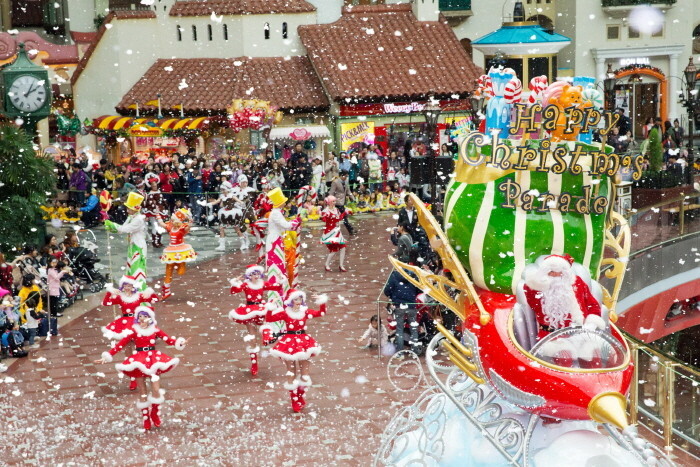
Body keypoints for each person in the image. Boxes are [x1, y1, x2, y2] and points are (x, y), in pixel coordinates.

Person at [96, 307, 188, 430]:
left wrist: (180, 343)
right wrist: (107, 355)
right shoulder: (134, 330)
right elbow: (121, 344)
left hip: (153, 360)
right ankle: (146, 418)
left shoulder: (155, 329)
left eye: (144, 316)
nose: (141, 319)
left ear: (149, 318)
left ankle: (154, 412)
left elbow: (168, 340)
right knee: (142, 391)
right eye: (139, 316)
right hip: (139, 361)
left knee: (156, 389)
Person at [518, 254, 606, 345]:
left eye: (560, 272)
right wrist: (537, 282)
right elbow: (533, 301)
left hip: (581, 333)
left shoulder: (577, 282)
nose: (556, 275)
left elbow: (592, 304)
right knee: (564, 357)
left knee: (596, 354)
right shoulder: (538, 288)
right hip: (552, 336)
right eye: (552, 271)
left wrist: (591, 323)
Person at [265, 290, 328, 413]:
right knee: (291, 372)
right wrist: (269, 308)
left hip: (304, 342)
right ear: (290, 301)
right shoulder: (285, 313)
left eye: (300, 299)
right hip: (289, 342)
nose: (299, 302)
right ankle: (294, 400)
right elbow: (269, 318)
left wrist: (322, 302)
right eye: (296, 299)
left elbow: (321, 313)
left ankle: (300, 396)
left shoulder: (305, 312)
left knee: (305, 374)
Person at [228, 265, 282, 376]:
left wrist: (281, 279)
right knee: (252, 336)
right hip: (249, 310)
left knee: (265, 324)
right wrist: (235, 282)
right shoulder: (246, 285)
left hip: (261, 308)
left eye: (257, 274)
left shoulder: (262, 284)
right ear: (249, 275)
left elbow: (276, 287)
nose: (256, 276)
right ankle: (254, 363)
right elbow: (234, 291)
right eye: (253, 274)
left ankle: (267, 338)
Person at [104, 192, 148, 290]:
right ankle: (132, 290)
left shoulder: (139, 220)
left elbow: (126, 229)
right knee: (131, 268)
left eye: (129, 208)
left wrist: (111, 224)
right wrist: (110, 225)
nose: (127, 210)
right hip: (133, 245)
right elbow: (122, 229)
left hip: (138, 246)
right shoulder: (132, 217)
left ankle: (139, 292)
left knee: (137, 269)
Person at [265, 188, 302, 299]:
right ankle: (276, 288)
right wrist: (296, 221)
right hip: (274, 240)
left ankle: (280, 287)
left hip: (277, 239)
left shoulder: (276, 213)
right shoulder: (276, 213)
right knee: (276, 263)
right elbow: (286, 226)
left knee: (279, 263)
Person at [157, 208, 197, 300]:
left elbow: (188, 227)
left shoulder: (182, 228)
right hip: (170, 251)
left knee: (181, 271)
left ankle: (178, 266)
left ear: (178, 221)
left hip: (181, 251)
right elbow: (162, 224)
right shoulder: (170, 227)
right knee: (168, 270)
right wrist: (157, 214)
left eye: (173, 220)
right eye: (172, 219)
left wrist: (190, 219)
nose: (171, 221)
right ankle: (166, 290)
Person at [383, 259, 421, 354]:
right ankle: (415, 350)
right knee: (413, 328)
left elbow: (387, 290)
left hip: (399, 305)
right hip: (411, 305)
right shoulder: (412, 274)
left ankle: (400, 351)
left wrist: (392, 296)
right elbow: (419, 289)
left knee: (399, 329)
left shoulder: (394, 275)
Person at [320, 195, 351, 272]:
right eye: (333, 201)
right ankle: (327, 264)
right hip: (330, 232)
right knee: (334, 250)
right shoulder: (325, 211)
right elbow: (324, 220)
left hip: (337, 231)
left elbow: (339, 218)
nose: (334, 202)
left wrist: (345, 213)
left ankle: (341, 265)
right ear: (329, 202)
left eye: (335, 201)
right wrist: (325, 216)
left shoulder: (336, 210)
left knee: (343, 247)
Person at [142, 176, 169, 248]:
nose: (154, 186)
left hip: (160, 211)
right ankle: (155, 242)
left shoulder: (159, 192)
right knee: (155, 226)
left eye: (155, 185)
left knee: (160, 226)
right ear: (151, 186)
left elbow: (163, 201)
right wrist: (155, 207)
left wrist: (165, 207)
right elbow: (149, 203)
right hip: (152, 212)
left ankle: (158, 241)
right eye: (153, 185)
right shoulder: (150, 194)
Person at [328, 170, 355, 235]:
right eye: (345, 176)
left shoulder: (345, 182)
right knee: (342, 217)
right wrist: (330, 201)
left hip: (342, 202)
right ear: (341, 175)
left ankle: (349, 229)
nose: (346, 177)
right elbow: (331, 192)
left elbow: (348, 191)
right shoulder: (335, 182)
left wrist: (353, 198)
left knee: (343, 217)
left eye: (347, 176)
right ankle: (350, 230)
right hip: (336, 202)